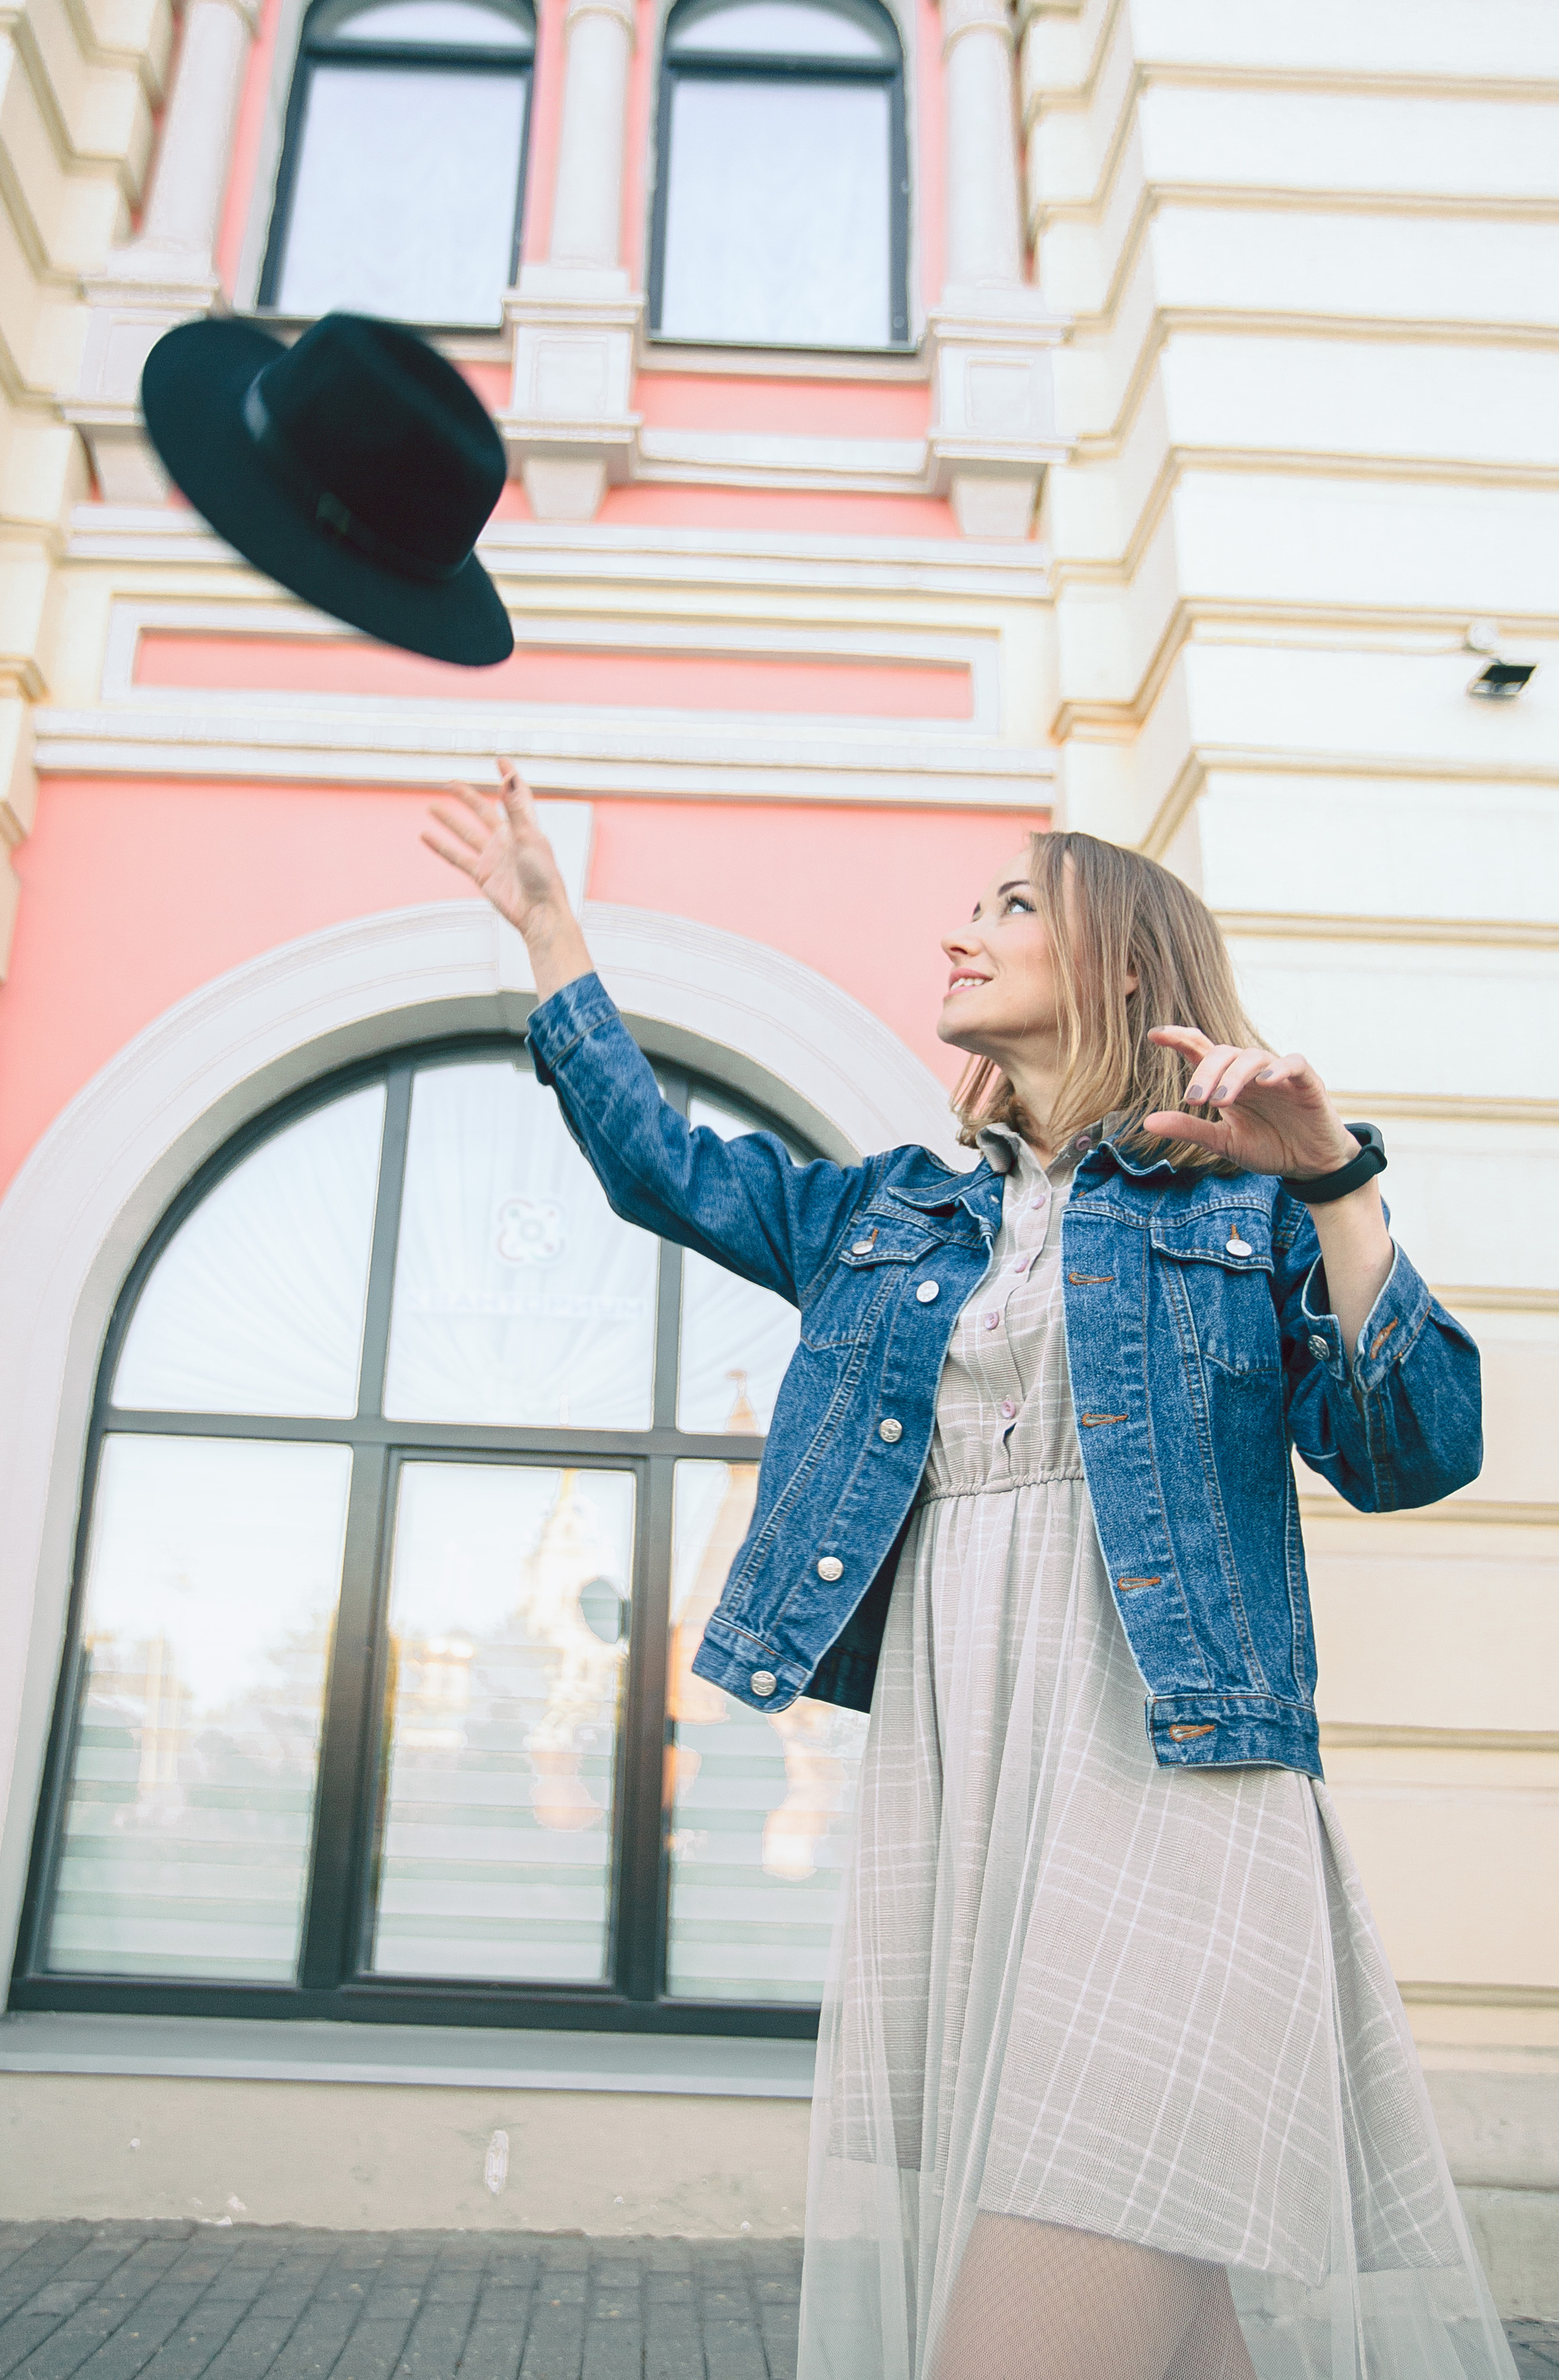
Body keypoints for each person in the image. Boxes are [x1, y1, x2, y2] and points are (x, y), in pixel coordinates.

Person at [423, 767, 1512, 2380]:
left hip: (1170, 1791)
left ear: (1122, 966)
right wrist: (546, 924)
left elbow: (1412, 1448)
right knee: (1162, 2311)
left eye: (1011, 906)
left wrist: (1331, 1181)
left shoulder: (1240, 1201)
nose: (958, 931)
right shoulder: (889, 1214)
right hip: (969, 1782)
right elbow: (660, 1163)